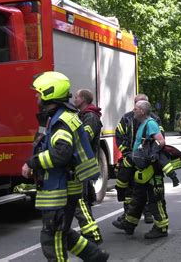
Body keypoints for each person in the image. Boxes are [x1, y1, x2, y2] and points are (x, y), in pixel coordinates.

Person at [21, 71, 108, 261]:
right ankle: (96, 256)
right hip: (62, 187)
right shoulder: (58, 116)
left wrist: (32, 162)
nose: (36, 96)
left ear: (48, 93)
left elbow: (61, 153)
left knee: (52, 238)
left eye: (39, 92)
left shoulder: (61, 121)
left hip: (61, 190)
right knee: (64, 232)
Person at [112, 100, 171, 239]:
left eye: (136, 109)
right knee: (138, 198)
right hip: (142, 169)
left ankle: (161, 228)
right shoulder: (144, 124)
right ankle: (129, 224)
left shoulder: (150, 124)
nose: (134, 111)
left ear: (142, 111)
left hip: (150, 170)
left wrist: (151, 154)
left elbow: (161, 141)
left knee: (155, 199)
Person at [72, 89, 104, 245]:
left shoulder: (90, 117)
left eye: (77, 97)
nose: (74, 98)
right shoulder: (83, 115)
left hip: (84, 163)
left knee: (81, 200)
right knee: (82, 199)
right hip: (81, 163)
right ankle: (90, 231)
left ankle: (92, 234)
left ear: (83, 100)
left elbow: (84, 138)